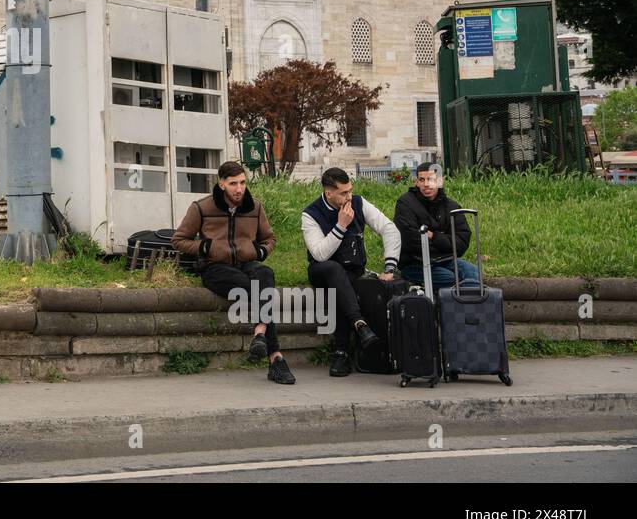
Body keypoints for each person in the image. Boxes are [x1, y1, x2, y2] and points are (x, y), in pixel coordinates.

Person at [171, 161, 295, 386]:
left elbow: (270, 238)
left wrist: (260, 251)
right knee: (259, 291)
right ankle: (275, 357)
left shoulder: (254, 207)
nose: (239, 189)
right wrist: (205, 247)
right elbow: (179, 240)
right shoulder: (201, 207)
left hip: (247, 263)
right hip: (215, 268)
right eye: (233, 184)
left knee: (265, 274)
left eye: (243, 183)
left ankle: (260, 333)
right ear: (221, 184)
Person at [303, 167, 401, 377]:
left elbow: (389, 228)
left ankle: (342, 352)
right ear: (329, 193)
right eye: (343, 193)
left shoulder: (358, 202)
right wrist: (341, 225)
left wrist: (390, 266)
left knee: (343, 285)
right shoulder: (310, 214)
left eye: (350, 191)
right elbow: (320, 254)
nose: (349, 196)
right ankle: (358, 325)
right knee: (334, 269)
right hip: (323, 271)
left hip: (352, 272)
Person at [393, 162, 475, 291]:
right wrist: (445, 242)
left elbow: (462, 242)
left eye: (431, 179)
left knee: (473, 274)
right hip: (415, 262)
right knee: (449, 278)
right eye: (422, 180)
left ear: (440, 181)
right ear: (416, 182)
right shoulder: (405, 204)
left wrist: (434, 236)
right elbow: (411, 241)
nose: (426, 184)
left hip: (446, 260)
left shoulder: (451, 206)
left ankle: (469, 309)